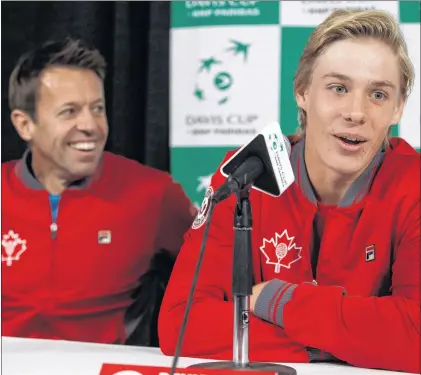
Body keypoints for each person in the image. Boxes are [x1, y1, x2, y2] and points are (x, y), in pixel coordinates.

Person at [158, 9, 420, 374]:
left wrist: (278, 301)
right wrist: (354, 340)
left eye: (378, 94)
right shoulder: (245, 173)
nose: (356, 112)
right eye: (338, 88)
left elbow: (416, 334)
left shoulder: (414, 185)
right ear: (302, 92)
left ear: (398, 108)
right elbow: (180, 323)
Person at [1, 38, 197, 344]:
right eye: (69, 112)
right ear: (25, 124)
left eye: (97, 109)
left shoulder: (153, 193)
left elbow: (218, 277)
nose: (91, 125)